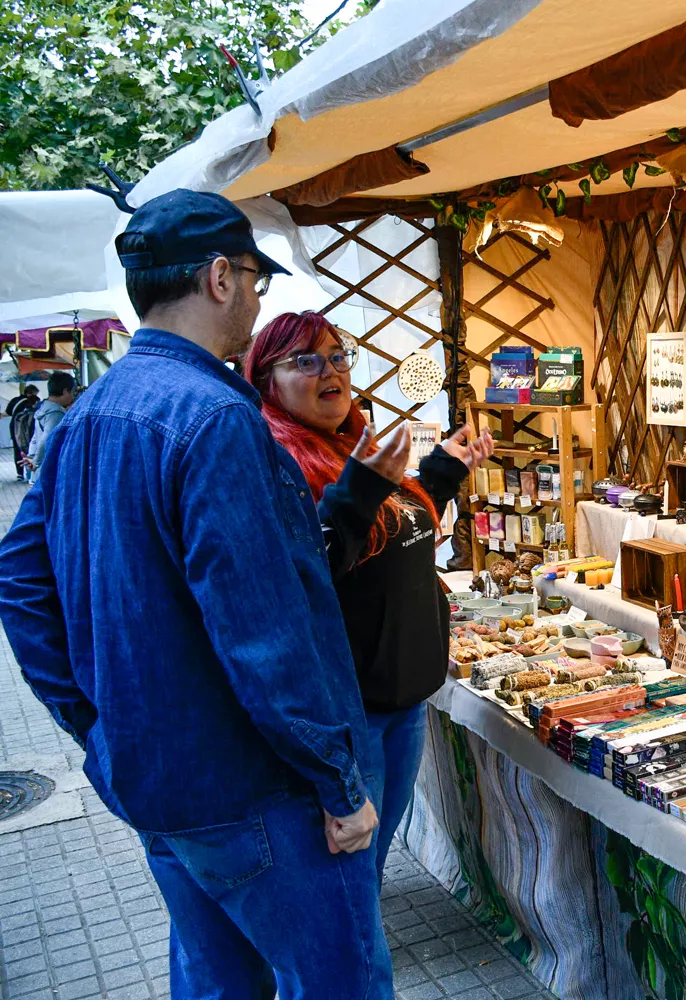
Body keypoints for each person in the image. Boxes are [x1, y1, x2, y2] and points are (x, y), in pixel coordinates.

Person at [0, 190, 393, 1000]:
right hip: (260, 795)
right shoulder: (216, 418)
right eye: (253, 278)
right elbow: (266, 630)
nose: (257, 297)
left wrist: (102, 727)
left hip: (158, 785)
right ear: (220, 276)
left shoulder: (87, 414)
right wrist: (338, 783)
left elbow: (19, 580)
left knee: (217, 986)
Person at [243, 311, 490, 879]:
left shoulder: (353, 446)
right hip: (354, 715)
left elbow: (397, 529)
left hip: (404, 701)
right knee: (349, 869)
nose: (329, 370)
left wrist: (442, 473)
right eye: (305, 359)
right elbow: (311, 573)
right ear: (265, 381)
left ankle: (357, 942)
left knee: (369, 861)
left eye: (336, 355)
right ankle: (349, 960)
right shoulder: (278, 469)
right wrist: (357, 491)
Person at [23, 371, 77, 478]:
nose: (73, 396)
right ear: (65, 391)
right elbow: (46, 439)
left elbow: (35, 438)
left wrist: (32, 457)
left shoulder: (42, 409)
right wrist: (36, 462)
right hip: (50, 470)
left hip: (41, 470)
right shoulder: (56, 413)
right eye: (73, 392)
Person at [7, 384, 39, 480]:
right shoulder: (29, 401)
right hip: (25, 429)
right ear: (29, 393)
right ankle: (29, 474)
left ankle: (20, 473)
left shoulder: (15, 400)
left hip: (14, 427)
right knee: (28, 449)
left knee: (17, 449)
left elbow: (8, 412)